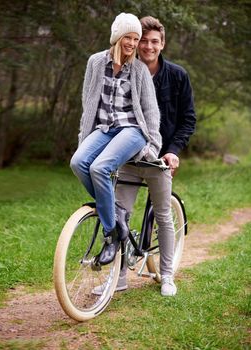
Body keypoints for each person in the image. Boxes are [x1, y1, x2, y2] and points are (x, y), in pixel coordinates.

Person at [93, 16, 196, 296]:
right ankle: (119, 278)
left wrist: (173, 151)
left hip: (159, 159)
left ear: (162, 44)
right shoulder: (125, 71)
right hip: (129, 156)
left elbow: (188, 119)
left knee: (163, 215)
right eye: (143, 41)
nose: (148, 47)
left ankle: (166, 276)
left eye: (154, 41)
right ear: (136, 44)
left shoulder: (177, 76)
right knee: (120, 215)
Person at [70, 13, 162, 266]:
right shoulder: (95, 62)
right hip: (104, 127)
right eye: (128, 38)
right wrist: (84, 138)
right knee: (79, 163)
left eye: (136, 39)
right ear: (116, 37)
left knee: (101, 167)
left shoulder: (140, 70)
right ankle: (117, 213)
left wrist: (152, 145)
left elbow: (151, 110)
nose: (133, 44)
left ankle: (112, 235)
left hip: (132, 130)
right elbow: (88, 103)